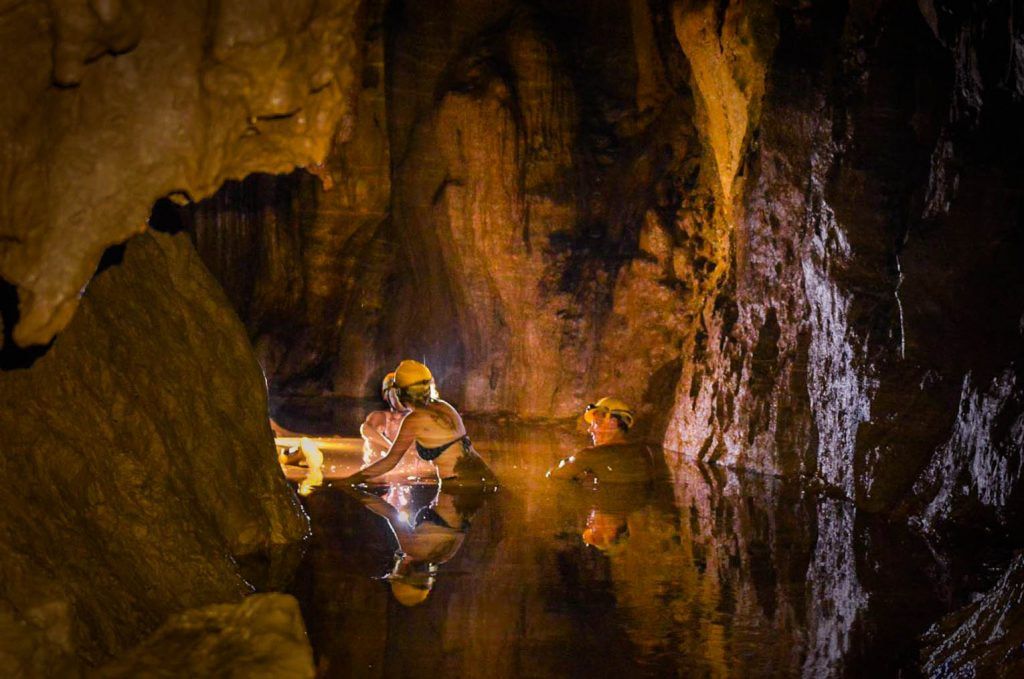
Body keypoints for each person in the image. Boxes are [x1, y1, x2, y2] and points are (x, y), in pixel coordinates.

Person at [343, 360, 497, 489]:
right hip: (484, 477)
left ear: (399, 393)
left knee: (411, 525)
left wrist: (349, 482)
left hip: (457, 486)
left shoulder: (413, 420)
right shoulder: (446, 407)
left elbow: (389, 462)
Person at [546, 397, 653, 484]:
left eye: (596, 423)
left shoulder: (591, 455)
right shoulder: (645, 453)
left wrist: (577, 477)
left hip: (604, 510)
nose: (590, 429)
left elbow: (553, 476)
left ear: (612, 423)